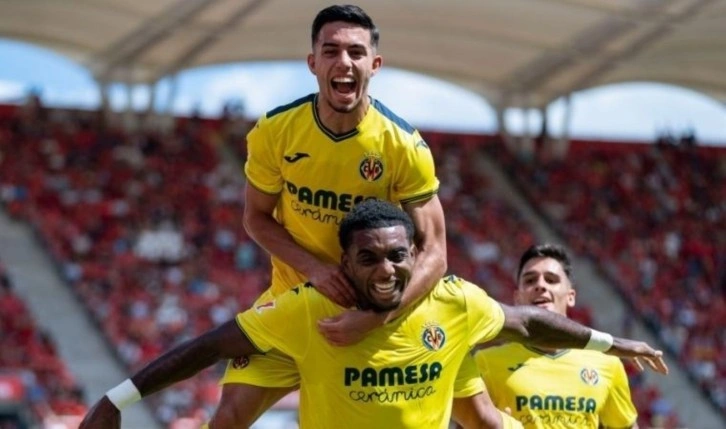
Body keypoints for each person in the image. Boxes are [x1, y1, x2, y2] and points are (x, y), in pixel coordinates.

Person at [80, 200, 667, 429]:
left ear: (414, 254)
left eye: (397, 256)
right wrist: (116, 400)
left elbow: (529, 322)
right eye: (369, 258)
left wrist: (613, 344)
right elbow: (209, 346)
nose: (386, 270)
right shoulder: (307, 309)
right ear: (345, 262)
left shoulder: (455, 302)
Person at [220, 4, 450, 426]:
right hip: (290, 306)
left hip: (367, 316)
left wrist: (376, 317)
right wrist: (315, 269)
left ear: (375, 64)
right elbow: (256, 218)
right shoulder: (275, 131)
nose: (344, 62)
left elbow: (435, 253)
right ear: (313, 63)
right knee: (228, 418)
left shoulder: (404, 146)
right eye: (331, 51)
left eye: (356, 52)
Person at [474, 244, 643, 428]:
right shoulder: (485, 363)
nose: (540, 285)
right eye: (530, 281)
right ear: (517, 298)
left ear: (570, 296)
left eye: (551, 280)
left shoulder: (608, 365)